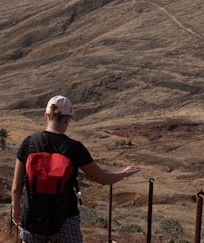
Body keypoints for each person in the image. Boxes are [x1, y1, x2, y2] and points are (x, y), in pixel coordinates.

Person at [11, 95, 140, 243]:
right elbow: (102, 178)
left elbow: (16, 187)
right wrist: (123, 173)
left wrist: (16, 208)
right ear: (67, 119)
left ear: (46, 116)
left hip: (32, 218)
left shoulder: (29, 143)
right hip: (65, 219)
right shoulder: (74, 148)